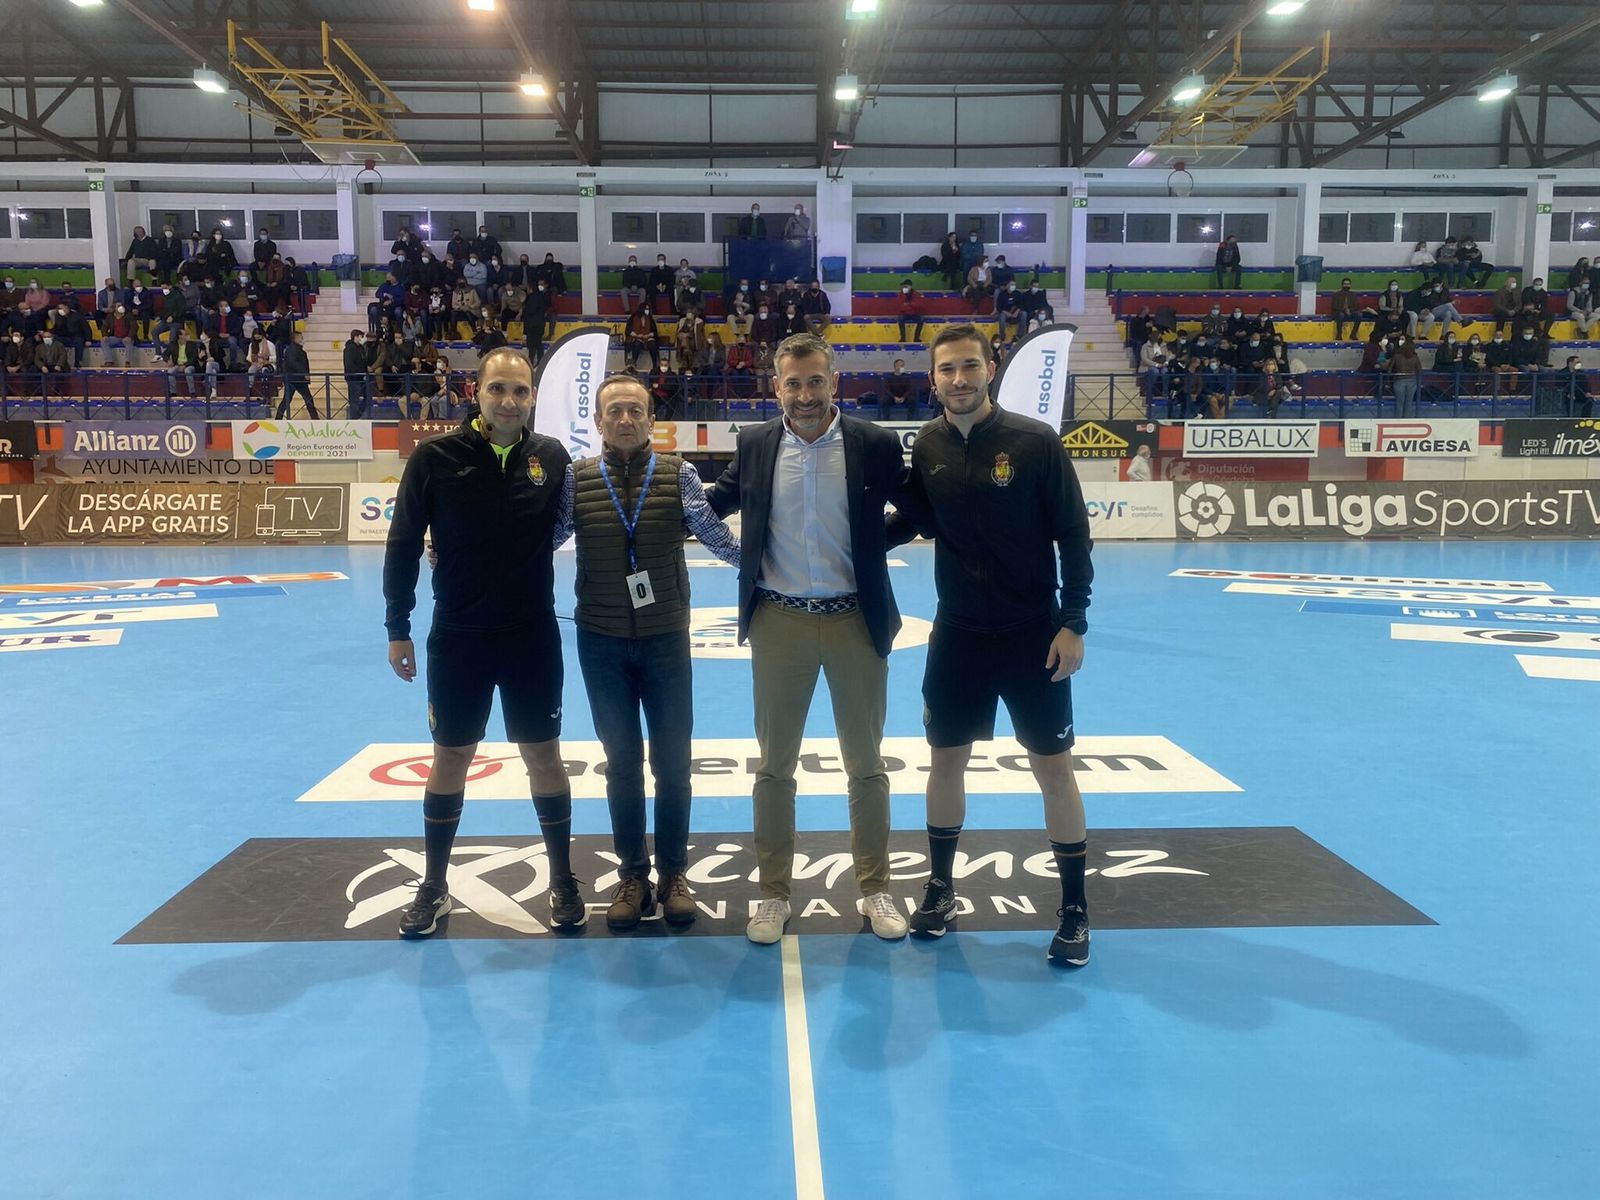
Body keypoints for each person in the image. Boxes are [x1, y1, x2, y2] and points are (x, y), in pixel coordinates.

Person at [706, 331, 919, 945]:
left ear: (835, 383)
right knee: (774, 768)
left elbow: (917, 506)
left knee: (866, 766)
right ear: (776, 386)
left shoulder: (872, 443)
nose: (804, 393)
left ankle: (875, 888)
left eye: (815, 381)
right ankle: (773, 893)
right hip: (780, 622)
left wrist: (880, 542)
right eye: (793, 382)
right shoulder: (754, 445)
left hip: (857, 620)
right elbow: (714, 504)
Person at [895, 323, 1094, 966]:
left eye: (970, 366)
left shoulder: (1034, 441)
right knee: (944, 762)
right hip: (957, 634)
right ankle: (941, 890)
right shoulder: (926, 445)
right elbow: (920, 520)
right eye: (947, 369)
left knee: (1053, 770)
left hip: (1034, 634)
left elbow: (1074, 534)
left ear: (991, 369)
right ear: (933, 378)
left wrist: (1074, 622)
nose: (959, 378)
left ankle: (1073, 910)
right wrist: (849, 545)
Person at [384, 348, 580, 938]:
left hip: (531, 635)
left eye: (520, 392)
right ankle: (435, 885)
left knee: (544, 755)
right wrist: (399, 626)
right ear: (478, 392)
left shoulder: (551, 456)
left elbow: (568, 524)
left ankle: (564, 881)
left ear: (532, 398)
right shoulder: (435, 457)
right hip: (458, 637)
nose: (509, 401)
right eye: (498, 389)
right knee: (451, 758)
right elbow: (401, 542)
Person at [558, 375, 742, 928]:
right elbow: (537, 537)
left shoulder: (678, 473)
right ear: (597, 421)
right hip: (601, 642)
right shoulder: (575, 479)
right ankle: (632, 876)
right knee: (621, 767)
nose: (625, 419)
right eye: (614, 410)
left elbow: (713, 532)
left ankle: (675, 874)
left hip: (665, 640)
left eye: (635, 410)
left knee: (673, 765)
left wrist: (768, 570)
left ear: (650, 419)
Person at [275, 331, 318, 418]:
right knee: (288, 400)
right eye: (300, 337)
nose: (302, 339)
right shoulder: (292, 349)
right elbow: (293, 363)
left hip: (298, 379)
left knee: (307, 399)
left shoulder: (297, 349)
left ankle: (315, 418)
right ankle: (278, 418)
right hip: (294, 379)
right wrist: (304, 373)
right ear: (295, 338)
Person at [1388, 335, 1422, 416]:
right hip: (1412, 380)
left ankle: (1398, 421)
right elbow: (1419, 369)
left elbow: (1390, 369)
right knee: (1409, 403)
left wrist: (1389, 380)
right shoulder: (1415, 357)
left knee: (1399, 403)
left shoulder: (1397, 356)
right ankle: (1408, 421)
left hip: (1399, 380)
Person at [625, 301, 662, 372]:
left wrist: (649, 335)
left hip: (647, 338)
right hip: (636, 337)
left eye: (648, 309)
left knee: (652, 343)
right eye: (646, 309)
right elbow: (628, 331)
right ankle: (633, 364)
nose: (647, 310)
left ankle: (655, 365)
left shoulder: (650, 319)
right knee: (637, 344)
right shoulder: (633, 318)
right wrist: (637, 335)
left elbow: (654, 331)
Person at [343, 329, 373, 418]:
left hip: (361, 377)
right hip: (354, 378)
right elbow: (349, 364)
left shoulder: (360, 348)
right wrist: (361, 371)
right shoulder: (350, 349)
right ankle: (354, 419)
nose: (363, 339)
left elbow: (362, 361)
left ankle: (357, 416)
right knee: (354, 400)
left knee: (367, 397)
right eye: (361, 337)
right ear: (355, 337)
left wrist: (365, 369)